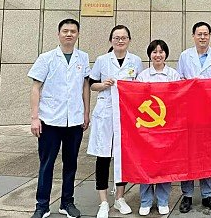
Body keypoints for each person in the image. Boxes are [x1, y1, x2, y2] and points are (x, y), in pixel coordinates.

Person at [28, 18, 90, 218]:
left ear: (78, 34)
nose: (69, 34)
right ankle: (42, 205)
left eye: (73, 31)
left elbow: (85, 86)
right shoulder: (46, 58)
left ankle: (67, 202)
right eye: (65, 31)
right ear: (58, 34)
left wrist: (86, 113)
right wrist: (35, 118)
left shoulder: (83, 57)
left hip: (74, 120)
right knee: (47, 163)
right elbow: (35, 88)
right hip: (50, 120)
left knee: (71, 164)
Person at [87, 25, 143, 217]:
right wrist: (103, 85)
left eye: (124, 37)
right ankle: (103, 201)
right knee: (103, 157)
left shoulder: (135, 61)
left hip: (126, 115)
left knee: (122, 156)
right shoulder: (102, 60)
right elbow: (91, 84)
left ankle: (120, 197)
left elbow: (141, 87)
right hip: (105, 113)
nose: (120, 41)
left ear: (129, 40)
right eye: (117, 37)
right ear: (111, 40)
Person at [177, 21, 211, 213]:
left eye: (205, 34)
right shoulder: (185, 56)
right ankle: (187, 195)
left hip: (210, 113)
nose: (202, 37)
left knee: (208, 152)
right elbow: (179, 83)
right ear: (193, 36)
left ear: (209, 36)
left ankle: (208, 195)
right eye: (199, 34)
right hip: (189, 113)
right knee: (188, 153)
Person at [136, 39, 181, 216]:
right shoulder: (143, 76)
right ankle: (146, 200)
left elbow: (179, 99)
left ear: (166, 54)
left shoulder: (173, 75)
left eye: (161, 52)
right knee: (146, 163)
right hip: (147, 129)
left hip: (167, 128)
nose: (158, 55)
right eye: (154, 52)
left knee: (164, 164)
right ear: (149, 55)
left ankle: (163, 200)